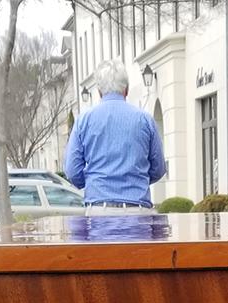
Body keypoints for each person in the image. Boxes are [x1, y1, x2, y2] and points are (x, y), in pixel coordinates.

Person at [65, 59, 167, 209]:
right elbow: (158, 168)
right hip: (136, 208)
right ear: (126, 89)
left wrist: (90, 182)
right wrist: (138, 179)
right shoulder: (145, 120)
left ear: (99, 91)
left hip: (99, 208)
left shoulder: (83, 122)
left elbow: (72, 170)